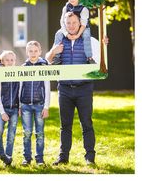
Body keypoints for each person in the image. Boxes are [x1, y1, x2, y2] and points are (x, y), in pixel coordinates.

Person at [46, 12, 108, 166]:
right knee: (65, 125)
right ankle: (63, 156)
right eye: (68, 23)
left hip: (84, 88)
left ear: (80, 23)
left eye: (74, 22)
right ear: (64, 24)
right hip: (65, 88)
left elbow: (101, 57)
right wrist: (54, 51)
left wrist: (104, 44)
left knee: (86, 123)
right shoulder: (60, 39)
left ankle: (90, 157)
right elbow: (48, 59)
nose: (71, 26)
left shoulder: (89, 40)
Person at [19, 41, 51, 166]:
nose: (33, 53)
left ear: (40, 52)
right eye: (30, 51)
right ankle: (26, 158)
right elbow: (20, 87)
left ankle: (40, 159)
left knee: (40, 133)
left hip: (39, 105)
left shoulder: (44, 67)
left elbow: (47, 88)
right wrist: (20, 105)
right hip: (25, 105)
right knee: (27, 133)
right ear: (27, 52)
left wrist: (46, 107)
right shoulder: (23, 67)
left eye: (35, 51)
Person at [53, 0, 95, 64]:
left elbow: (83, 24)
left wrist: (78, 35)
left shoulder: (84, 8)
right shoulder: (66, 7)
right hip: (68, 29)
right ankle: (56, 57)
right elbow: (62, 22)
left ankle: (89, 57)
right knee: (58, 34)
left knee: (86, 35)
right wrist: (66, 34)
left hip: (83, 27)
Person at [0, 51, 20, 166]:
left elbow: (20, 92)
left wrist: (19, 107)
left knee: (11, 135)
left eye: (11, 60)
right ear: (2, 62)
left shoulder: (18, 75)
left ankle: (8, 158)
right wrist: (2, 111)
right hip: (2, 108)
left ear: (14, 62)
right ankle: (0, 152)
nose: (9, 62)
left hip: (14, 109)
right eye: (6, 60)